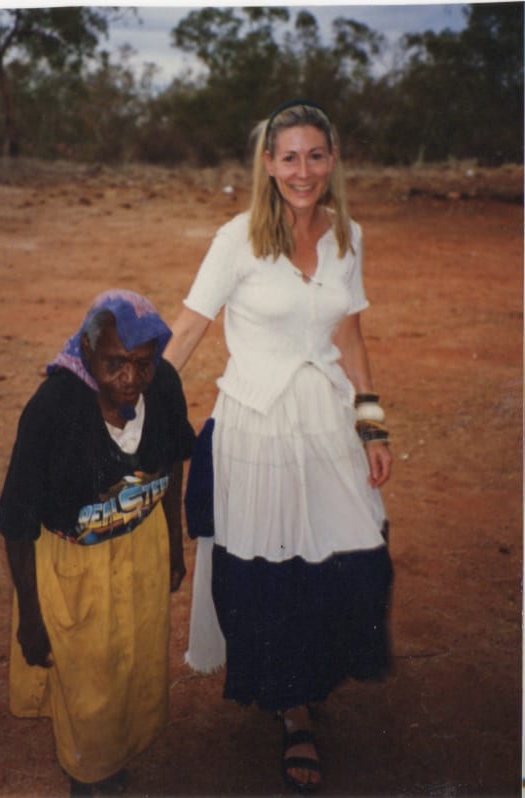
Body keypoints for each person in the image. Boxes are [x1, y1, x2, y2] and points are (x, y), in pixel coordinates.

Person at [164, 100, 394, 794]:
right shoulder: (236, 239)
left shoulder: (346, 236)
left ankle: (311, 675)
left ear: (333, 160)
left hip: (325, 422)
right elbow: (189, 327)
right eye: (288, 157)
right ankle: (294, 712)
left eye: (315, 156)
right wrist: (124, 403)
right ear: (267, 164)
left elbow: (349, 336)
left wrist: (372, 421)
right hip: (255, 427)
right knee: (272, 570)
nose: (303, 171)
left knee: (352, 554)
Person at [0, 289, 196, 796]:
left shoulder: (164, 388)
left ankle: (108, 754)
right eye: (114, 364)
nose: (130, 379)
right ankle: (89, 774)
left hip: (141, 549)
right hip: (74, 567)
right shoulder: (53, 410)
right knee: (88, 680)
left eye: (141, 364)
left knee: (131, 662)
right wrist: (32, 616)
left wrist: (173, 545)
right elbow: (18, 524)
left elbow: (172, 462)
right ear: (87, 353)